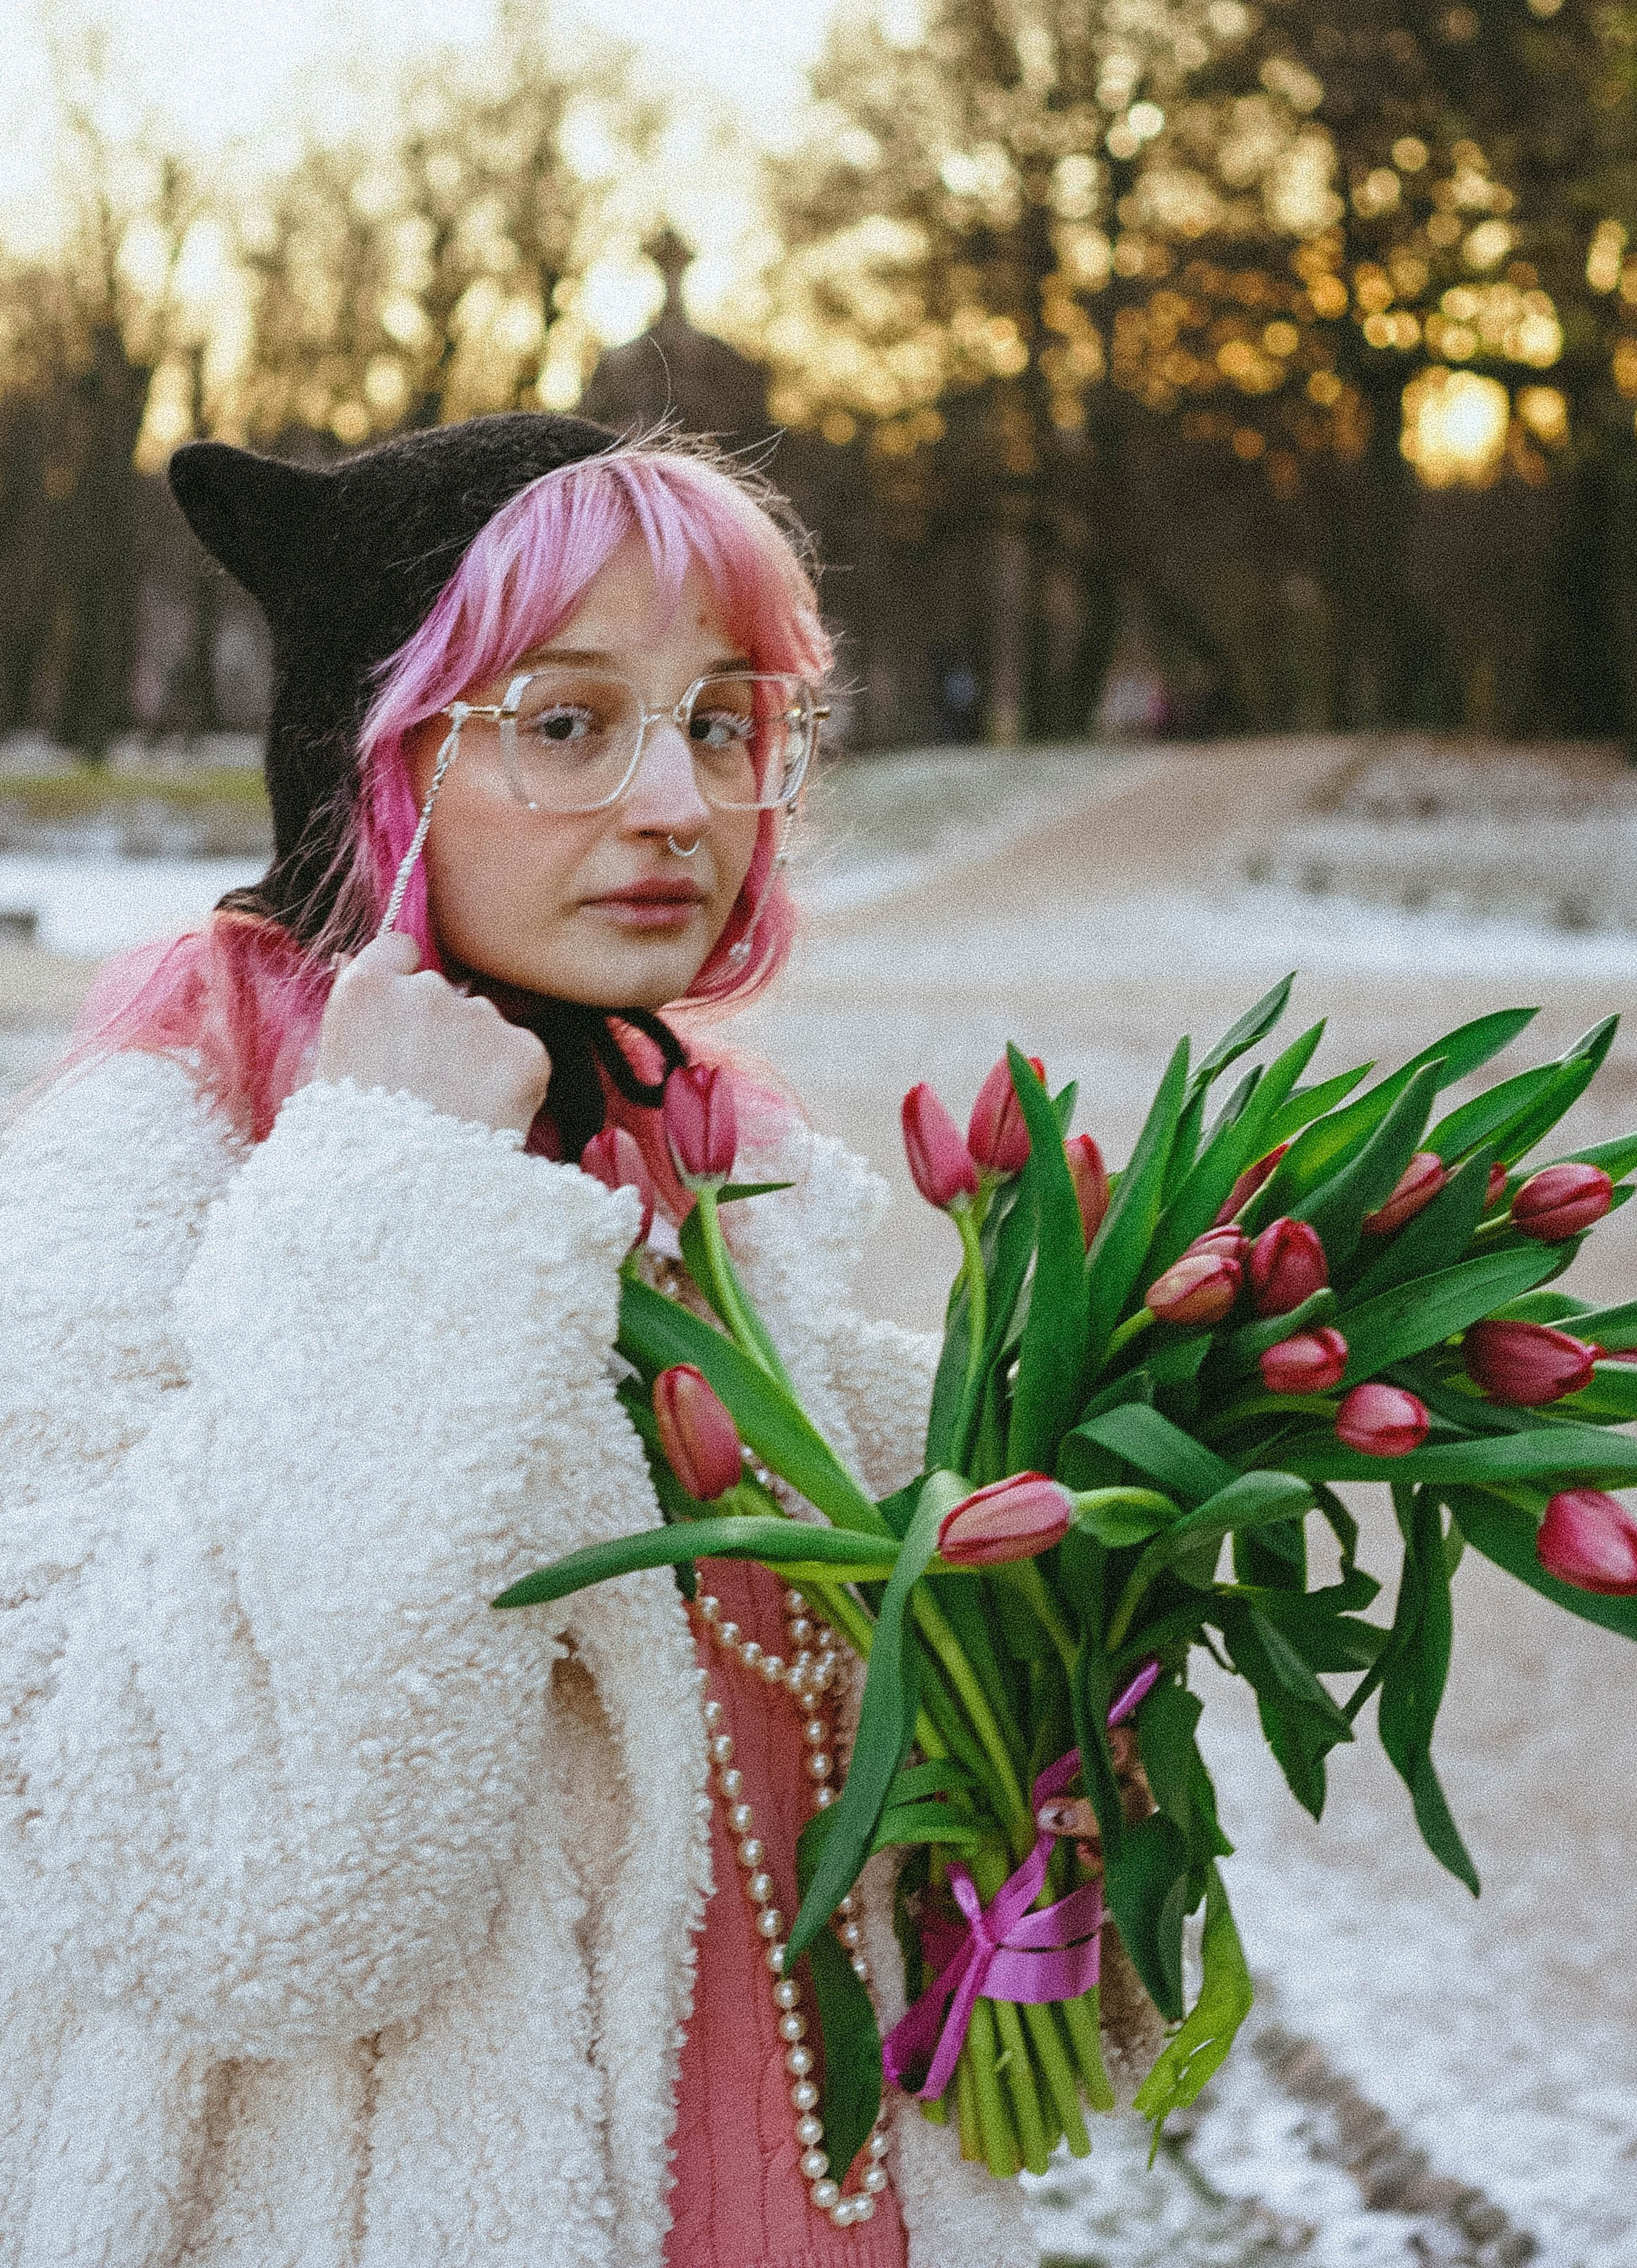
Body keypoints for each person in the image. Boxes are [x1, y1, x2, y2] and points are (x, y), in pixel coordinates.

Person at [0, 416, 1154, 2268]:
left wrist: (1074, 1689)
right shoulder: (160, 1178)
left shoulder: (719, 1179)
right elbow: (234, 1887)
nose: (675, 804)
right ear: (370, 762)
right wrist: (396, 1200)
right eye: (562, 722)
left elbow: (872, 1787)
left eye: (720, 720)